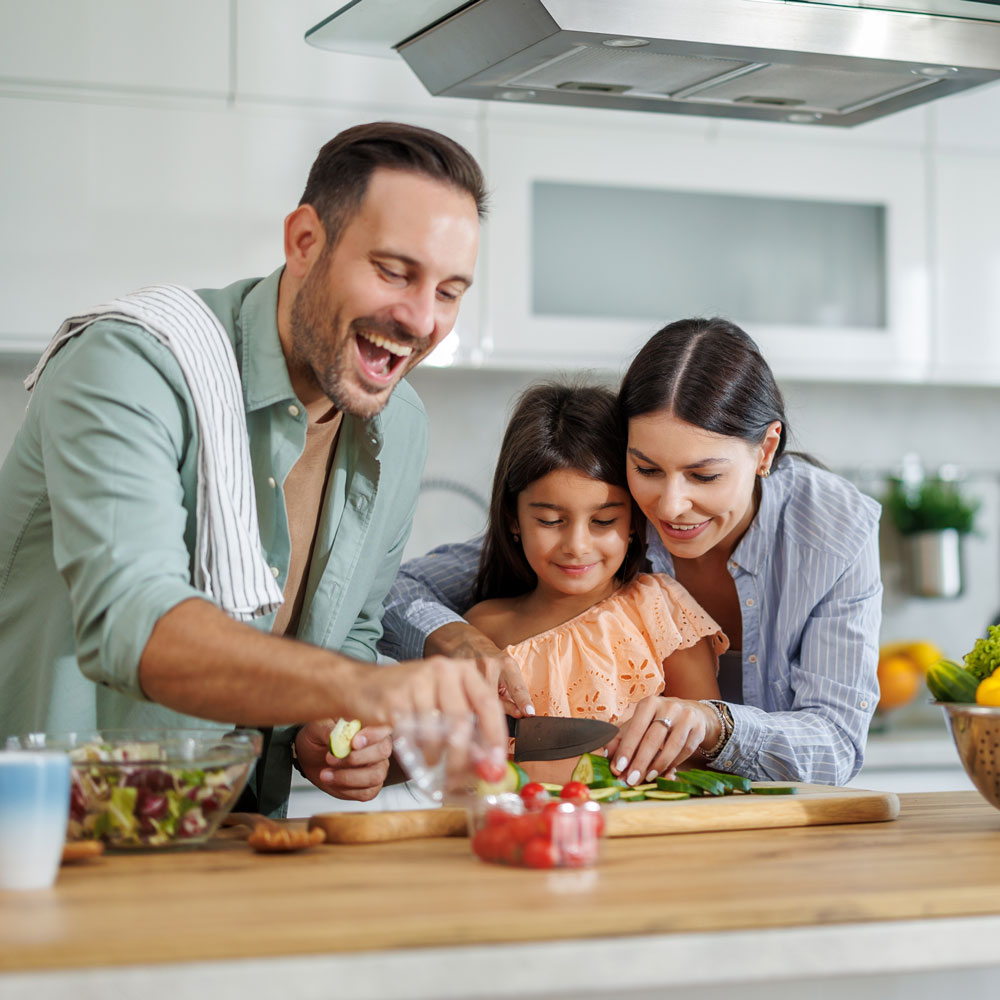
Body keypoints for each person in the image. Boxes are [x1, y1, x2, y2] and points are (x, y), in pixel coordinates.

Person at [0, 121, 506, 816]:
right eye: (393, 271)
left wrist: (334, 735)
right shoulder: (130, 363)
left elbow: (350, 632)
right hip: (46, 835)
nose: (421, 318)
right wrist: (367, 690)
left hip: (234, 840)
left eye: (449, 291)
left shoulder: (402, 422)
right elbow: (136, 625)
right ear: (305, 242)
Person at [381, 318, 882, 786]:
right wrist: (456, 640)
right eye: (646, 469)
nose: (669, 506)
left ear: (766, 449)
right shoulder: (612, 513)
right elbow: (391, 590)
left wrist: (713, 724)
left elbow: (835, 744)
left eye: (704, 475)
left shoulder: (834, 531)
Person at [463, 381, 727, 785]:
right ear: (513, 519)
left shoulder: (661, 611)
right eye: (550, 521)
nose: (577, 546)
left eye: (604, 521)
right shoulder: (482, 631)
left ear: (636, 521)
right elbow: (461, 767)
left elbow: (705, 757)